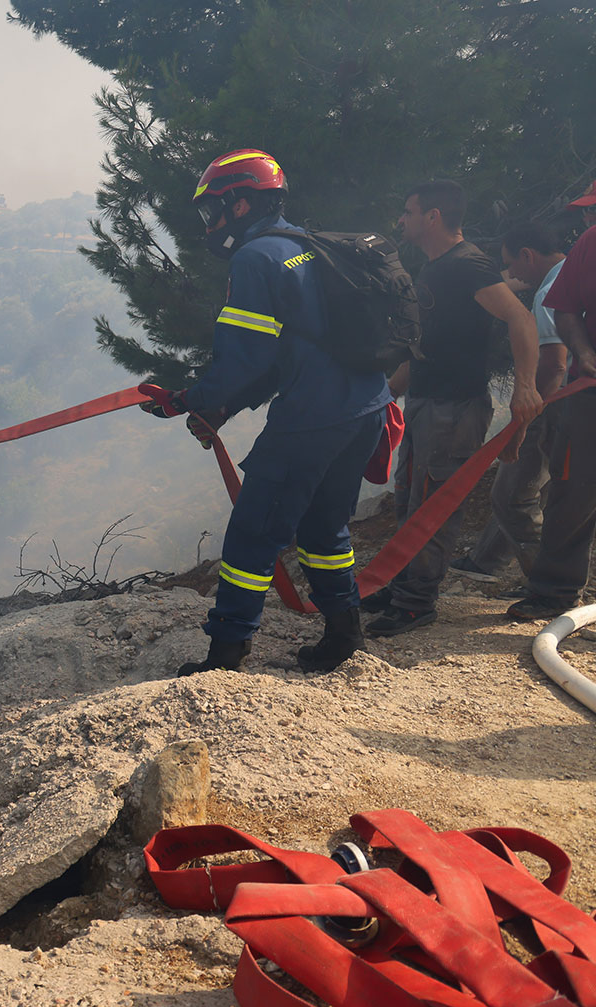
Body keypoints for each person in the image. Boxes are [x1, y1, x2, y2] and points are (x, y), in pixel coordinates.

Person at [143, 149, 392, 676]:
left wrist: (190, 399)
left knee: (252, 535)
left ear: (240, 204)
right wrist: (223, 407)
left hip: (312, 419)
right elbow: (291, 351)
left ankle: (225, 654)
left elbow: (246, 358)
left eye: (212, 210)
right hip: (367, 407)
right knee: (325, 528)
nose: (209, 224)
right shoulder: (307, 244)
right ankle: (345, 637)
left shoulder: (255, 259)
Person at [363, 180, 541, 636]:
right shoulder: (435, 268)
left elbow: (520, 318)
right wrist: (389, 394)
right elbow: (423, 344)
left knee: (433, 504)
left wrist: (525, 388)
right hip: (425, 402)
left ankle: (416, 603)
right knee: (409, 497)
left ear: (433, 217)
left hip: (455, 408)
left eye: (408, 212)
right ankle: (402, 585)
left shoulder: (467, 264)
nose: (401, 220)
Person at [512, 133, 596, 619]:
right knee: (571, 494)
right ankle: (552, 593)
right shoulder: (595, 241)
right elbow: (566, 308)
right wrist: (584, 350)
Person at [452, 220, 571, 584]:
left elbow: (554, 364)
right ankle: (486, 560)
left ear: (527, 255)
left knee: (511, 495)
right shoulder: (577, 270)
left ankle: (548, 582)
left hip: (554, 401)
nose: (514, 275)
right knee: (528, 488)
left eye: (512, 264)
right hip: (586, 401)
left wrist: (525, 420)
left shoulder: (550, 291)